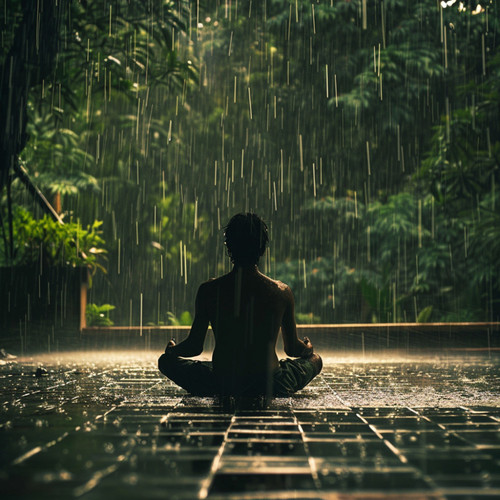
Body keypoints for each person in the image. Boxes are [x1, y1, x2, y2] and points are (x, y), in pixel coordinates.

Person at [158, 213, 322, 397]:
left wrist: (173, 350)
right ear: (262, 247)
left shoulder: (210, 290)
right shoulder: (281, 292)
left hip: (222, 382)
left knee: (165, 361)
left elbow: (194, 347)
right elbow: (292, 349)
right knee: (315, 360)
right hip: (270, 383)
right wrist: (307, 348)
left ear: (229, 245)